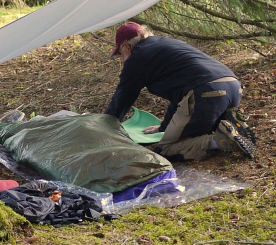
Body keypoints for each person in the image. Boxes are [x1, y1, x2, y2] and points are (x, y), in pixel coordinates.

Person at [104, 22, 256, 161]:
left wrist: (103, 126)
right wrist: (164, 127)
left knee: (166, 149)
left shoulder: (136, 58)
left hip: (207, 93)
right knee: (196, 127)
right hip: (233, 86)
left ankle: (219, 140)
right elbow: (179, 97)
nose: (121, 58)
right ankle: (229, 125)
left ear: (126, 47)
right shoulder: (164, 44)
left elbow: (123, 97)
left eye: (119, 53)